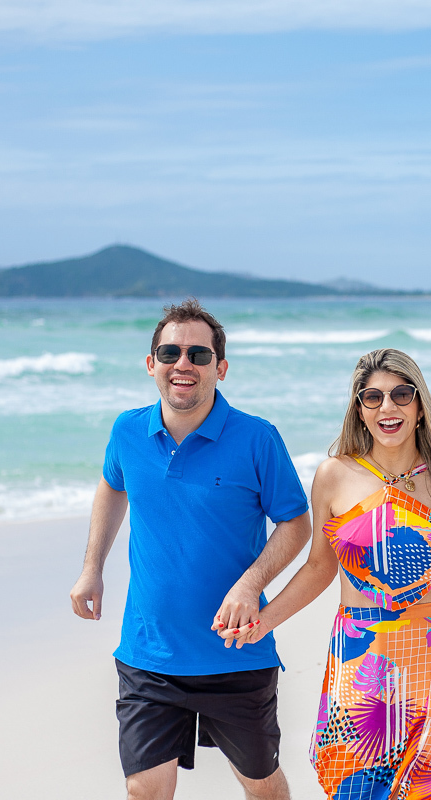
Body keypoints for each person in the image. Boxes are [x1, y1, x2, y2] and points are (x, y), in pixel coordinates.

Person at [219, 348, 431, 799]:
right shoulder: (334, 475)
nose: (388, 407)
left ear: (419, 405)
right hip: (360, 652)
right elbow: (318, 568)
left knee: (423, 790)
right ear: (359, 410)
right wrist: (263, 621)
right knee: (353, 783)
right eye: (373, 398)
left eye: (400, 395)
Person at [69, 298, 311, 800]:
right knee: (144, 790)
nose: (184, 364)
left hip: (236, 653)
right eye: (170, 352)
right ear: (152, 363)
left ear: (220, 368)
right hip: (149, 653)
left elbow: (296, 523)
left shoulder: (257, 438)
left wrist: (250, 584)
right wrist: (91, 568)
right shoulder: (127, 430)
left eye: (199, 356)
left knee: (261, 785)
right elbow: (113, 486)